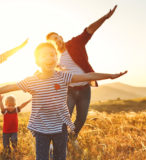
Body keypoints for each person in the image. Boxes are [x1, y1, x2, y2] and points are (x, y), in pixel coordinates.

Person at [0, 42, 127, 160]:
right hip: (41, 127)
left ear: (56, 58)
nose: (49, 58)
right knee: (41, 158)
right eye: (44, 56)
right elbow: (11, 86)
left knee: (60, 157)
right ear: (37, 61)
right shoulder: (31, 81)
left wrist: (110, 75)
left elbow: (88, 76)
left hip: (61, 126)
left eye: (52, 54)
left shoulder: (63, 77)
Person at [46, 5, 118, 139]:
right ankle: (60, 142)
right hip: (68, 90)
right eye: (52, 41)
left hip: (85, 89)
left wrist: (105, 17)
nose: (56, 41)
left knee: (81, 119)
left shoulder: (75, 43)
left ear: (60, 37)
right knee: (63, 118)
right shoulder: (53, 58)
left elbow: (89, 31)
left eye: (56, 38)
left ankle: (71, 138)